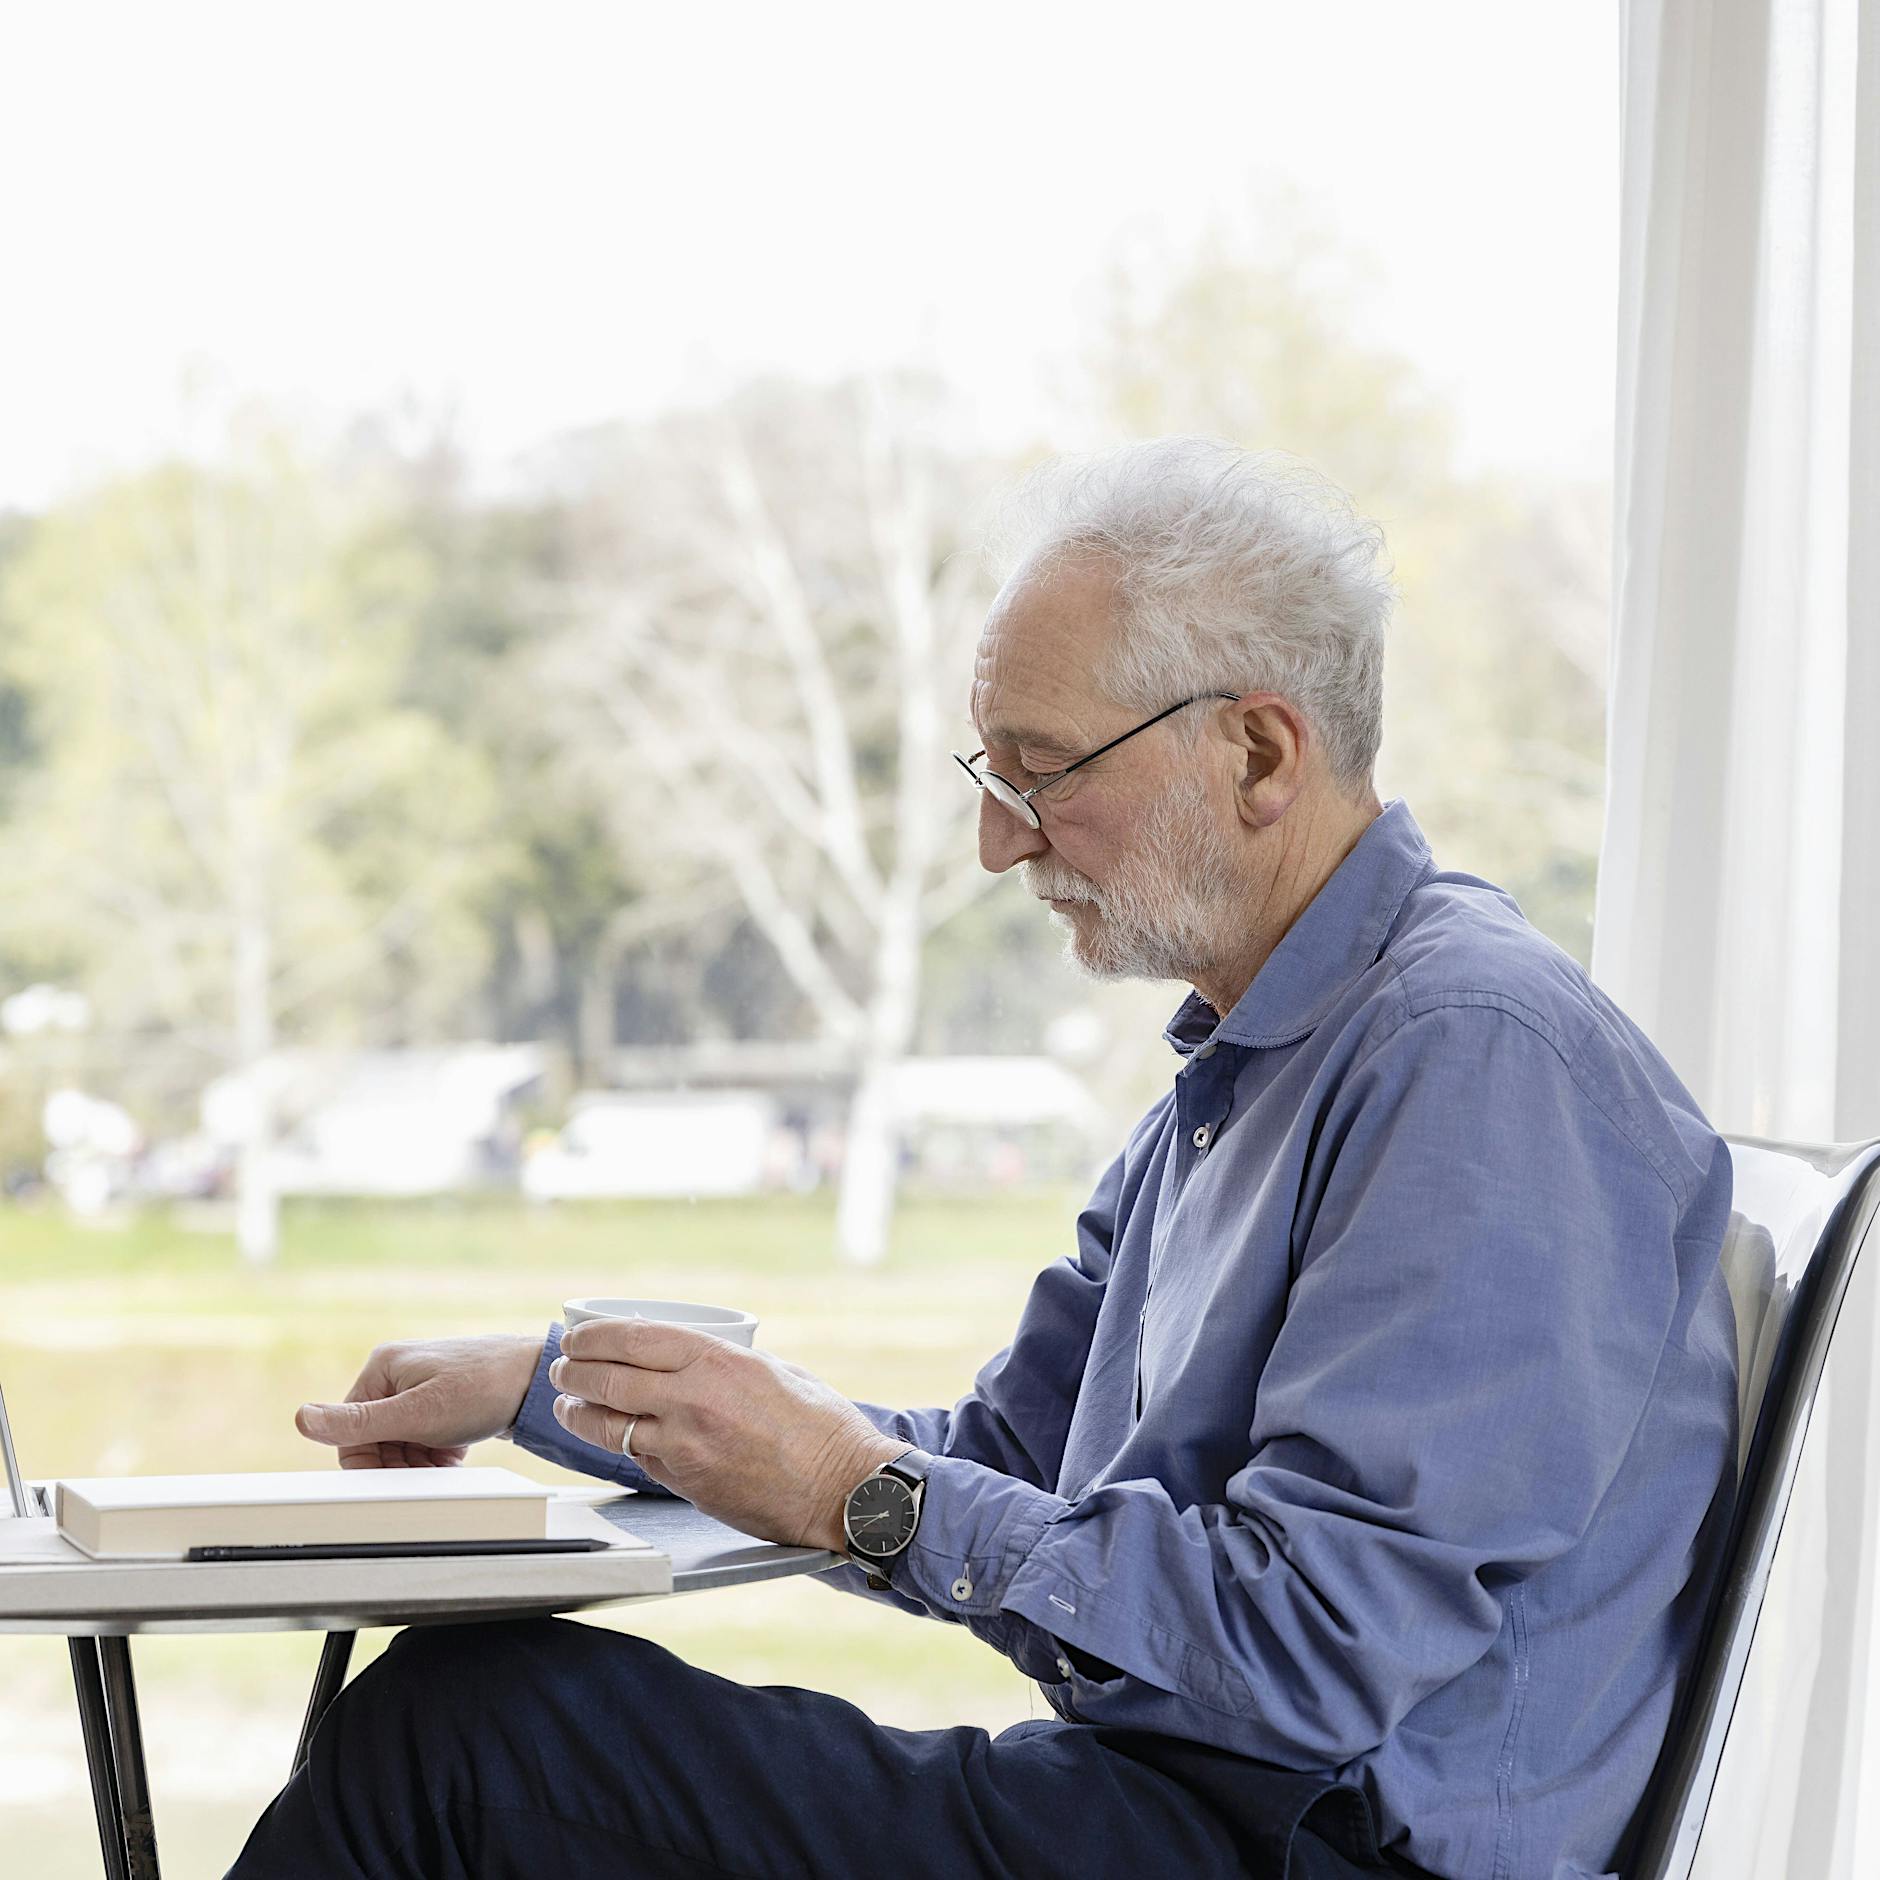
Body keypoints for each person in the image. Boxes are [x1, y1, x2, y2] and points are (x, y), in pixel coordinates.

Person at [230, 439, 1739, 1880]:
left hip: (1296, 1853)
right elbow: (1013, 1466)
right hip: (1173, 1813)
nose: (997, 846)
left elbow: (1311, 1655)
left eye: (1041, 771)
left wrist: (846, 1488)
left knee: (460, 1746)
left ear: (1260, 752)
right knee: (468, 1720)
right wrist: (572, 1396)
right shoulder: (1257, 1060)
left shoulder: (1471, 1056)